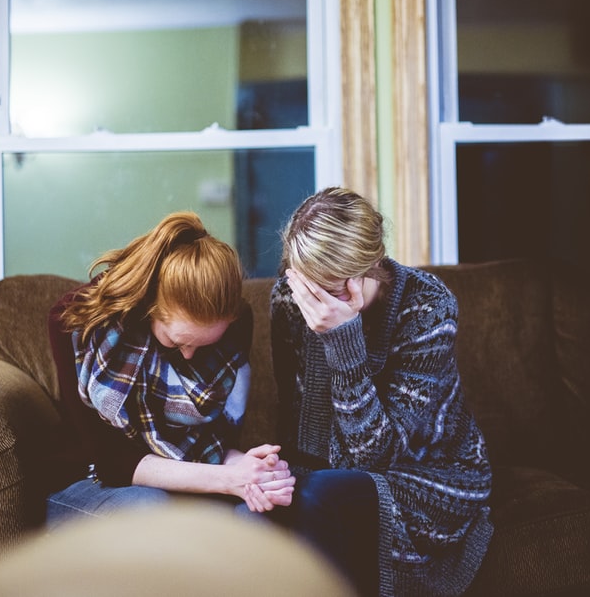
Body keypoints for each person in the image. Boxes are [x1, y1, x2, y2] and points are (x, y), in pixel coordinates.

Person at [270, 187, 493, 597]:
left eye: (330, 289)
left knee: (322, 497)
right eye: (307, 286)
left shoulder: (427, 307)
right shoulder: (289, 298)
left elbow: (374, 458)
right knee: (271, 504)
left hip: (429, 475)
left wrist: (343, 339)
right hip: (330, 473)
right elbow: (297, 423)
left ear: (370, 266)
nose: (314, 304)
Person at [46, 211, 294, 526]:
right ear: (149, 308)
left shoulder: (236, 325)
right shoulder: (75, 323)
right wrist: (229, 480)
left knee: (257, 517)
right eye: (176, 343)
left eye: (203, 345)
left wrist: (252, 469)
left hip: (186, 479)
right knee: (153, 510)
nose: (190, 356)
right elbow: (113, 463)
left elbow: (215, 443)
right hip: (90, 481)